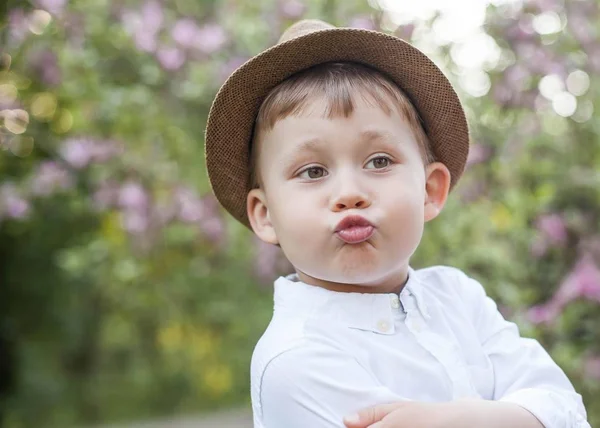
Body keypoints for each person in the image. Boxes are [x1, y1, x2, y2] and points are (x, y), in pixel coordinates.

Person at [204, 19, 591, 428]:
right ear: (266, 215)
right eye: (313, 171)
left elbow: (564, 406)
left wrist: (463, 420)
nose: (349, 192)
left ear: (429, 189)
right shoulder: (297, 360)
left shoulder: (459, 298)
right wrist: (513, 415)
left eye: (379, 161)